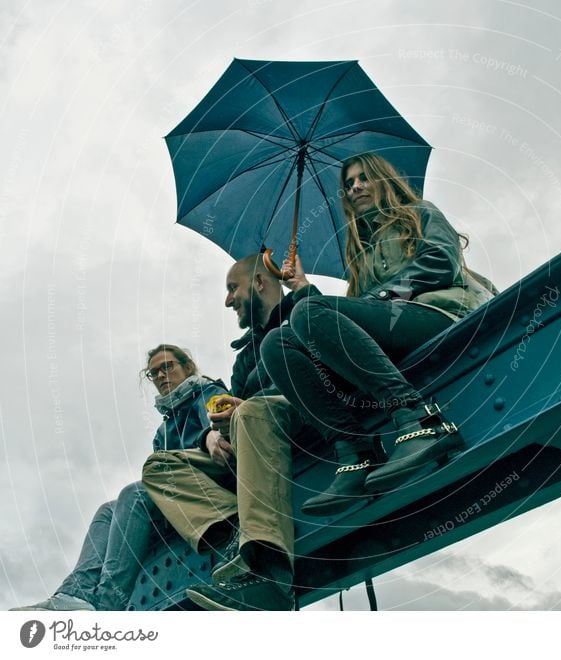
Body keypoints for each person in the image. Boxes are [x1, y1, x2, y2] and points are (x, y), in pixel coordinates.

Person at [262, 152, 495, 518]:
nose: (355, 186)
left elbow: (441, 261)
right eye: (349, 184)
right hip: (392, 334)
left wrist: (382, 297)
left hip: (442, 312)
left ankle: (418, 421)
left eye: (363, 178)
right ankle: (355, 453)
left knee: (306, 315)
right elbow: (339, 326)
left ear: (383, 181)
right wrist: (302, 285)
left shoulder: (421, 213)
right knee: (276, 343)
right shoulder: (361, 256)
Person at [142, 254, 321, 611]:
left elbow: (327, 358)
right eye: (153, 373)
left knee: (253, 411)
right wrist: (220, 428)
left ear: (258, 284)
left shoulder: (305, 310)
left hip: (306, 423)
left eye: (232, 288)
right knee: (156, 466)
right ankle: (235, 527)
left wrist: (301, 288)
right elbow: (241, 404)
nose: (227, 300)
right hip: (253, 440)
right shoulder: (244, 357)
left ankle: (267, 578)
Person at [11, 345, 226, 611]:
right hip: (176, 502)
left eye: (167, 367)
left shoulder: (206, 391)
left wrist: (208, 434)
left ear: (187, 367)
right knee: (107, 511)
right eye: (153, 373)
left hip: (208, 489)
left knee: (134, 494)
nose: (160, 376)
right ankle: (75, 596)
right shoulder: (163, 431)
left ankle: (108, 605)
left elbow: (219, 419)